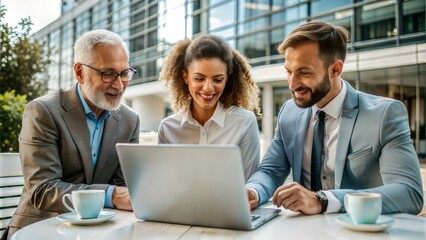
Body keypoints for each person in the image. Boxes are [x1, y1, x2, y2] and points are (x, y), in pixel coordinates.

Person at [246, 21, 424, 215]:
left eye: (304, 72)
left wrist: (323, 201)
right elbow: (270, 171)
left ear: (335, 70)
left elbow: (409, 193)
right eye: (289, 72)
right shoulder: (289, 112)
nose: (292, 84)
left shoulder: (384, 114)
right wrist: (253, 190)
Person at [3, 29, 140, 240]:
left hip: (99, 232)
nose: (120, 84)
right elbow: (43, 190)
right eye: (108, 73)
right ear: (79, 72)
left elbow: (124, 189)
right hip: (39, 229)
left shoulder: (130, 121)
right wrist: (110, 195)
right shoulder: (43, 111)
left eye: (124, 73)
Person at [158, 34, 261, 180]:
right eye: (199, 78)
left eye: (218, 79)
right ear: (186, 77)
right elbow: (165, 181)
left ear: (227, 78)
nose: (208, 88)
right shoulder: (168, 128)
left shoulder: (244, 122)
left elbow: (249, 184)